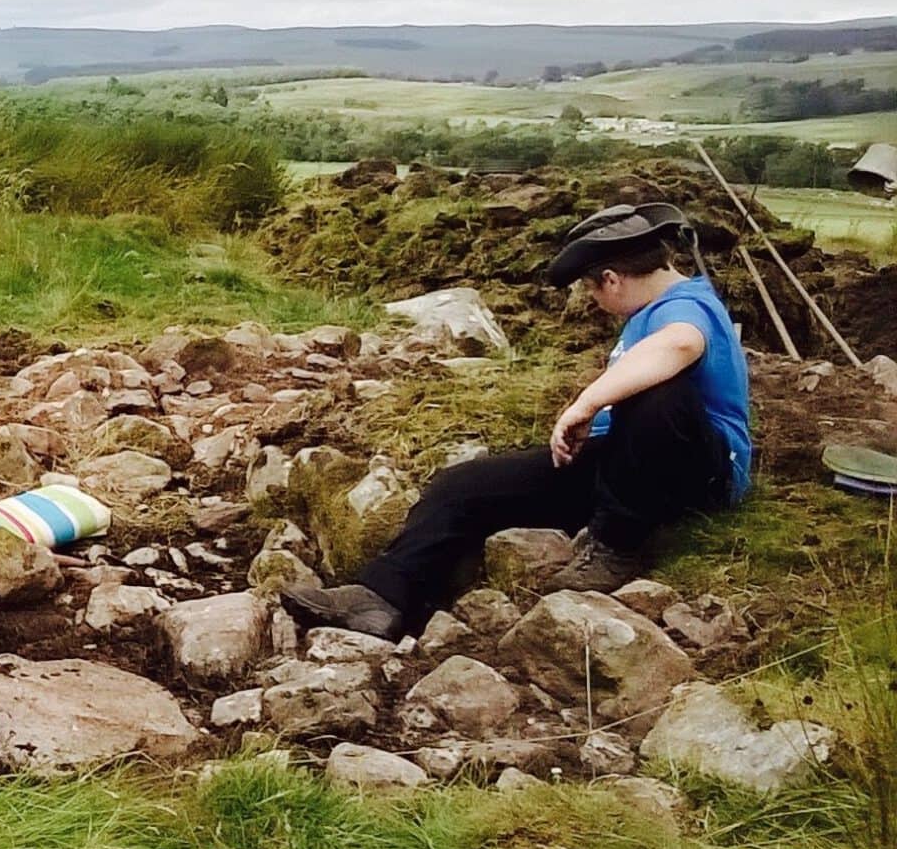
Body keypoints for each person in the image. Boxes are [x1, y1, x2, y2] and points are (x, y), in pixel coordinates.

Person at [282, 205, 753, 641]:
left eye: (591, 289)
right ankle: (381, 597)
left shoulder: (685, 306)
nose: (592, 301)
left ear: (610, 280)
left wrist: (586, 404)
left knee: (657, 393)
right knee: (463, 485)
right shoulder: (650, 310)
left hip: (696, 472)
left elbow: (680, 346)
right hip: (624, 466)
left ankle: (615, 546)